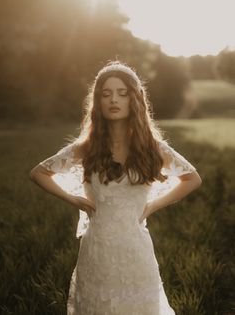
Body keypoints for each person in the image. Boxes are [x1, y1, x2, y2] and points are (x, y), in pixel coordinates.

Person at [29, 60, 202, 315]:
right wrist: (73, 199)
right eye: (106, 94)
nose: (114, 100)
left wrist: (153, 205)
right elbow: (38, 173)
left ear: (135, 99)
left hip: (136, 251)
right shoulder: (86, 147)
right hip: (96, 251)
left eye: (122, 93)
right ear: (97, 101)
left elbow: (192, 178)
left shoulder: (151, 147)